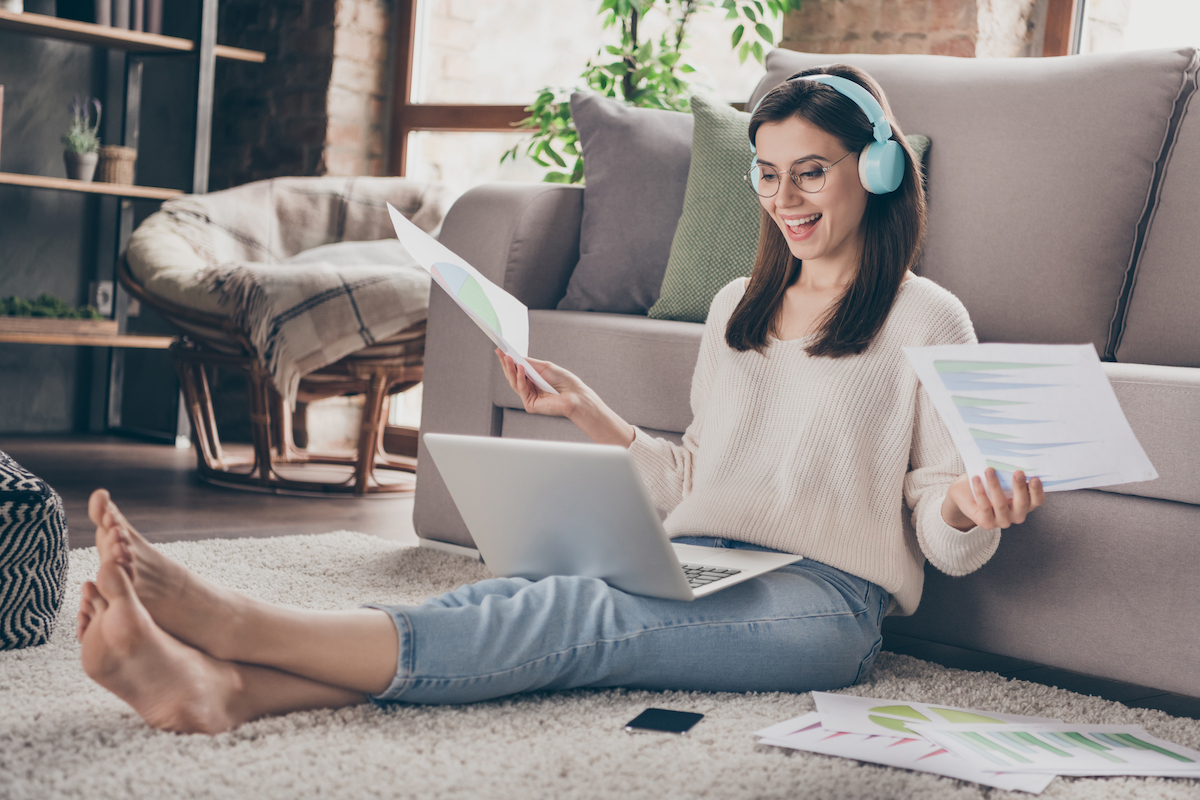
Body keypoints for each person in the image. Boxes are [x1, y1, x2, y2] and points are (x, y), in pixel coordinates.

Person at [77, 64, 1044, 735]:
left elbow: (941, 519)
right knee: (523, 595)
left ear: (874, 173)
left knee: (581, 621)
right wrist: (594, 418)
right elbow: (698, 478)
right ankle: (227, 694)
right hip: (700, 553)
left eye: (811, 174)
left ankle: (236, 625)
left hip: (825, 603)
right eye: (768, 175)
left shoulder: (927, 319)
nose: (786, 200)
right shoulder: (735, 309)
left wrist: (966, 506)